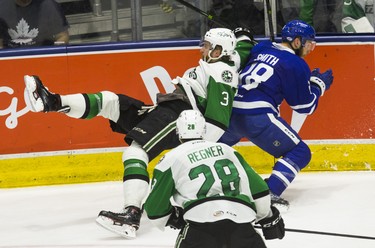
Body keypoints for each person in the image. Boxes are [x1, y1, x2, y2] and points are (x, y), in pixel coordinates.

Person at [23, 27, 255, 239]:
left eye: (206, 45)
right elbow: (241, 51)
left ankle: (131, 215)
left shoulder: (222, 72)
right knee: (111, 102)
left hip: (178, 114)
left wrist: (196, 148)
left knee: (135, 152)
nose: (201, 49)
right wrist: (245, 36)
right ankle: (51, 101)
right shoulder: (228, 58)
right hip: (167, 108)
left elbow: (217, 121)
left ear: (218, 50)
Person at [219, 20, 334, 208]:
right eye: (308, 43)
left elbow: (249, 49)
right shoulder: (296, 64)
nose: (311, 48)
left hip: (231, 113)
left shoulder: (261, 48)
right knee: (300, 152)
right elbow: (305, 106)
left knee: (211, 149)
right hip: (258, 117)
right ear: (297, 42)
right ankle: (269, 192)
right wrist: (318, 85)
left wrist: (243, 36)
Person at [144, 109, 285, 248]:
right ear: (204, 129)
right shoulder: (227, 150)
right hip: (241, 224)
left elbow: (155, 209)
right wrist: (267, 216)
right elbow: (260, 189)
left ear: (177, 131)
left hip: (199, 228)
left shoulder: (170, 159)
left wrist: (173, 217)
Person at [0, 0, 69, 48]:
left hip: (44, 58)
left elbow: (62, 36)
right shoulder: (1, 7)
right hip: (11, 60)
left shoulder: (49, 5)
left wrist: (52, 56)